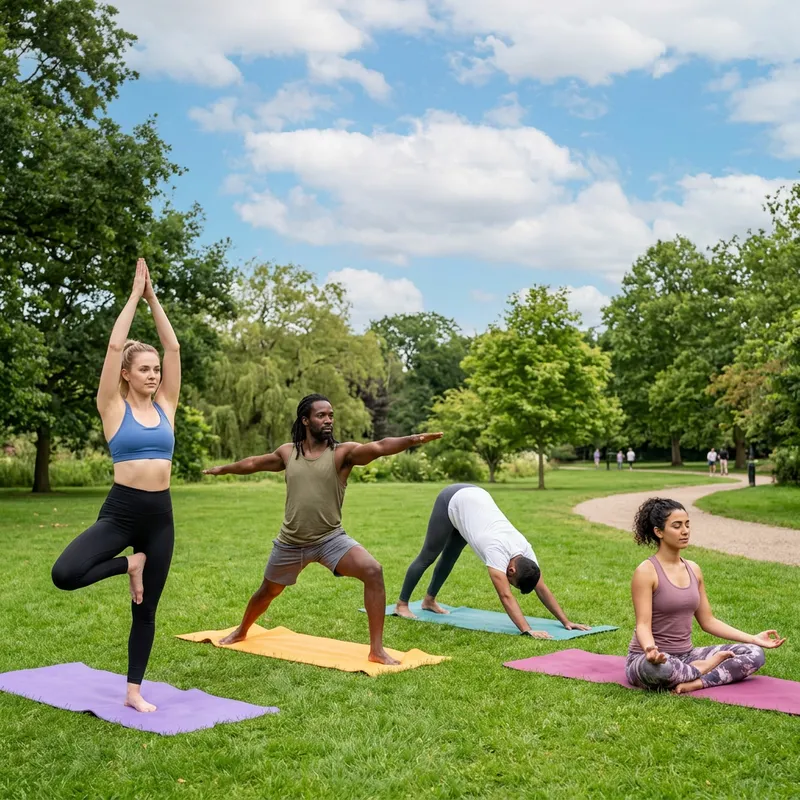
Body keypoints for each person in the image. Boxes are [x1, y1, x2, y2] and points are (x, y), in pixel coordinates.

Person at [203, 394, 442, 665]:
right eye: (321, 415)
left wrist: (413, 440)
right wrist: (222, 469)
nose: (328, 420)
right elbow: (254, 463)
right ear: (305, 420)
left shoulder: (342, 454)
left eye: (331, 415)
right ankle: (241, 630)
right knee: (267, 591)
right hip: (291, 542)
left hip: (330, 539)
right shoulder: (288, 452)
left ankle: (376, 650)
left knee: (373, 571)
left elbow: (379, 446)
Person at [51, 259, 180, 713]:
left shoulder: (166, 404)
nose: (153, 374)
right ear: (126, 374)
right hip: (122, 512)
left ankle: (133, 692)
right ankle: (130, 565)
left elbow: (173, 348)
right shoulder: (111, 407)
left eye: (154, 369)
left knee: (146, 611)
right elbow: (112, 347)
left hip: (159, 517)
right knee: (65, 575)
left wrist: (154, 298)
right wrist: (132, 298)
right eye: (143, 369)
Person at [627, 497, 785, 694]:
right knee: (658, 670)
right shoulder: (646, 571)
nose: (685, 531)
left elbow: (708, 621)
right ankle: (702, 669)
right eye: (676, 526)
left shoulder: (694, 569)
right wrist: (650, 649)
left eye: (687, 524)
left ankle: (697, 682)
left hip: (686, 655)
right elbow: (642, 624)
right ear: (659, 532)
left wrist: (753, 638)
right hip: (650, 659)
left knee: (755, 654)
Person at [394, 484, 590, 638]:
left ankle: (429, 601)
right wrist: (527, 629)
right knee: (429, 554)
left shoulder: (526, 552)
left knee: (450, 557)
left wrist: (566, 621)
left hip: (473, 506)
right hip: (452, 499)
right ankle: (401, 605)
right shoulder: (496, 551)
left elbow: (542, 587)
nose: (510, 585)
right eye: (513, 583)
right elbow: (505, 596)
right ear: (511, 571)